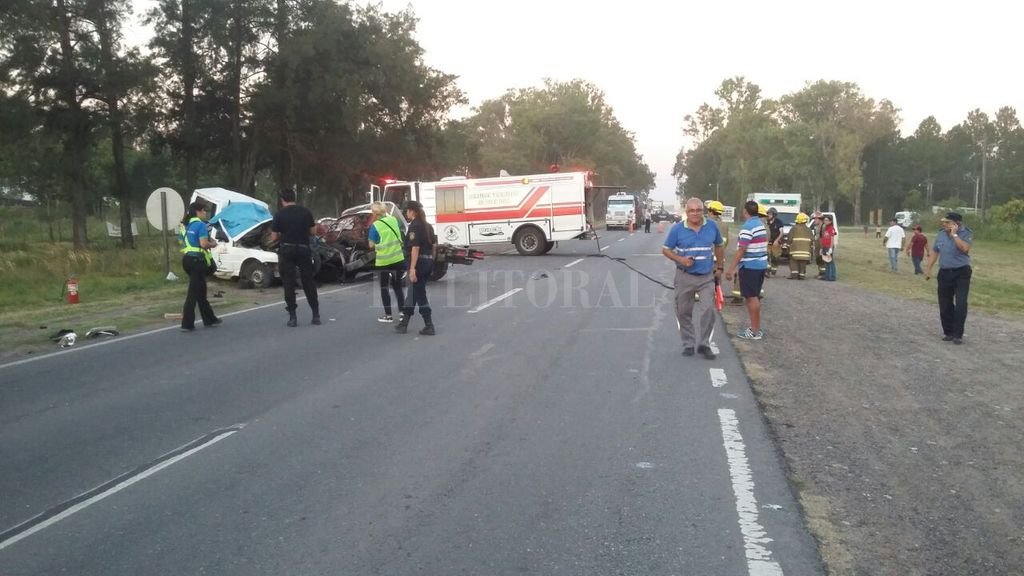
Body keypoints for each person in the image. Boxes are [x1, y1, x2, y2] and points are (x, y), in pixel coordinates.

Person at [662, 197, 724, 359]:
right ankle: (688, 343)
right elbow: (666, 249)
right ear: (686, 212)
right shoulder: (677, 229)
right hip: (684, 276)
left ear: (703, 211)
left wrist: (720, 268)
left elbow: (719, 245)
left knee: (708, 310)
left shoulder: (712, 226)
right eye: (691, 210)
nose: (695, 213)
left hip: (706, 276)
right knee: (683, 311)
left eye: (698, 210)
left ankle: (704, 344)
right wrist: (681, 260)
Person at [271, 188, 320, 327]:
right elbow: (312, 232)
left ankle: (293, 317)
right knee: (308, 281)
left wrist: (284, 234)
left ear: (282, 200)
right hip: (304, 249)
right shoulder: (306, 212)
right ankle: (315, 315)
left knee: (288, 283)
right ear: (294, 198)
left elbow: (274, 236)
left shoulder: (279, 214)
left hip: (287, 250)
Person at [924, 212, 972, 345]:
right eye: (944, 222)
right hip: (945, 273)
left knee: (961, 304)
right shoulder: (940, 234)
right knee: (945, 304)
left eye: (947, 222)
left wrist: (955, 235)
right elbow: (935, 251)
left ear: (956, 224)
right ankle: (949, 332)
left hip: (961, 272)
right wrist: (928, 269)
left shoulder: (965, 233)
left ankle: (958, 334)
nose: (944, 224)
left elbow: (965, 249)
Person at [725, 200, 768, 340]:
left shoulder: (747, 227)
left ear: (745, 211)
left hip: (750, 266)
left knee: (751, 298)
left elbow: (742, 249)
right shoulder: (760, 225)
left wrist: (731, 268)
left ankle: (754, 330)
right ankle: (756, 328)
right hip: (761, 265)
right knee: (754, 296)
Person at [178, 201, 222, 332]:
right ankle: (187, 324)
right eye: (204, 211)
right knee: (193, 294)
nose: (205, 213)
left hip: (187, 259)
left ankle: (210, 319)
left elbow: (181, 241)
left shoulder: (184, 225)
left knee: (201, 290)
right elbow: (203, 244)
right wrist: (213, 244)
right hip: (198, 260)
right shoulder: (201, 225)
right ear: (198, 211)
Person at [395, 200, 435, 335]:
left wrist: (412, 268)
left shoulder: (415, 226)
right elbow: (434, 245)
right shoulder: (428, 226)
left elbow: (415, 248)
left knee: (420, 294)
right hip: (427, 262)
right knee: (413, 292)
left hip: (418, 264)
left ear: (412, 211)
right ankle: (404, 323)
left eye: (407, 211)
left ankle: (429, 325)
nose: (406, 213)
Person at [368, 202, 406, 322]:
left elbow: (371, 245)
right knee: (398, 287)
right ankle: (402, 313)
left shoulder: (375, 226)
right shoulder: (394, 220)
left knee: (384, 287)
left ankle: (388, 315)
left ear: (374, 213)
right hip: (398, 259)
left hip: (384, 261)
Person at [787, 212, 813, 279]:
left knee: (793, 261)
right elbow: (812, 240)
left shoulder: (794, 228)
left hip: (795, 251)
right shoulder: (809, 230)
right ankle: (802, 275)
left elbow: (789, 239)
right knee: (803, 262)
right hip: (805, 252)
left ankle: (794, 274)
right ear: (805, 221)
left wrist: (788, 245)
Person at [765, 207, 784, 276]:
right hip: (767, 243)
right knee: (766, 256)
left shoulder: (779, 222)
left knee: (775, 257)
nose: (768, 215)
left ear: (774, 215)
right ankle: (767, 270)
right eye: (768, 214)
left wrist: (777, 240)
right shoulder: (765, 222)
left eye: (770, 214)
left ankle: (774, 269)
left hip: (776, 243)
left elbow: (781, 232)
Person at [819, 214, 838, 281]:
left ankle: (832, 277)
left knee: (830, 261)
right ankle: (827, 276)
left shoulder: (831, 228)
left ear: (830, 221)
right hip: (824, 246)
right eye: (824, 220)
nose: (825, 221)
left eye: (826, 220)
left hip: (828, 247)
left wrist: (830, 248)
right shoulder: (825, 227)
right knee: (826, 262)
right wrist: (821, 248)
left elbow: (832, 238)